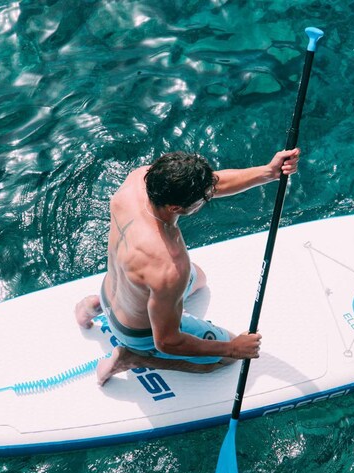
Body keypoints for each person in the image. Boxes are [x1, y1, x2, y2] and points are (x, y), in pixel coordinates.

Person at [75, 148, 301, 385]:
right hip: (136, 331)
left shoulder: (140, 179)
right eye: (203, 198)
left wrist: (268, 172)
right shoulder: (169, 266)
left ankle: (92, 306)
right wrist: (232, 348)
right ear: (175, 207)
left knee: (198, 278)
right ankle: (131, 358)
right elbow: (167, 341)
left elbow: (213, 182)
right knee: (220, 360)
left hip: (110, 292)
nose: (209, 196)